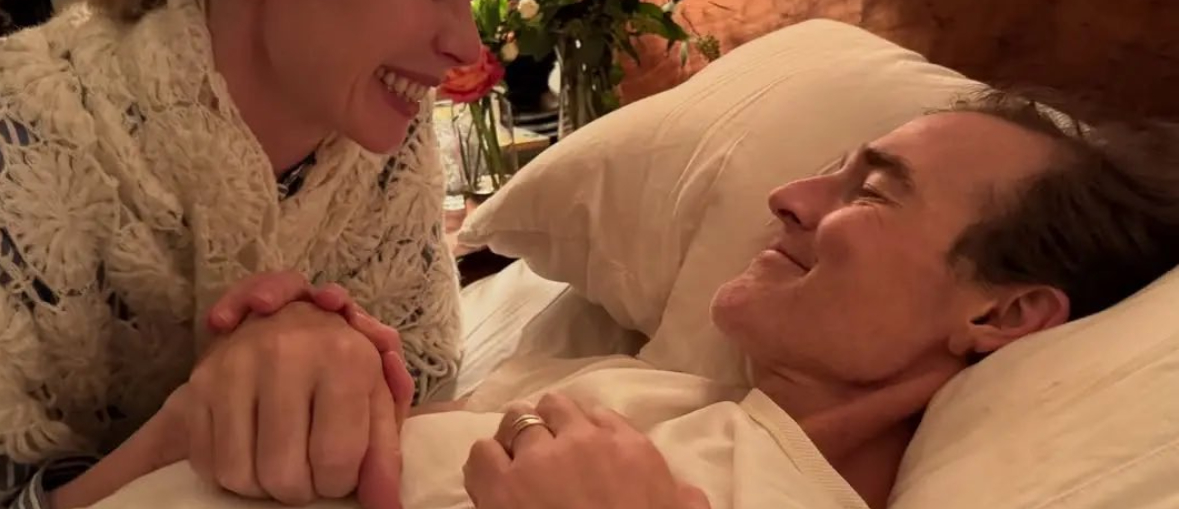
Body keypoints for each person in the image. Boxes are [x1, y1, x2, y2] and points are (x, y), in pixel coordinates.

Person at [0, 0, 516, 508]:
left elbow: (424, 392)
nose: (466, 45)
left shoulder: (383, 134)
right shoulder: (8, 153)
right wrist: (182, 438)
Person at [450, 91, 1179, 509]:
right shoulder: (642, 388)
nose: (788, 197)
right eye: (830, 171)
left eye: (872, 192)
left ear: (1001, 313)